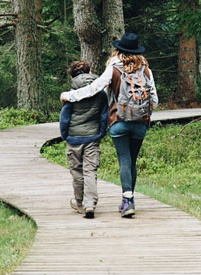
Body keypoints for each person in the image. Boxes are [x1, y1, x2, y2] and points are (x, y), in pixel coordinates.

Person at [60, 33, 158, 218]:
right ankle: (128, 200)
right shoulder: (145, 69)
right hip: (140, 123)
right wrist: (144, 115)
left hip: (119, 122)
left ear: (118, 49)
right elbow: (155, 99)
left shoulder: (114, 66)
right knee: (132, 161)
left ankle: (127, 202)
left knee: (124, 160)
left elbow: (95, 88)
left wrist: (69, 96)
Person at [59, 60, 109, 218]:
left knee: (76, 171)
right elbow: (104, 116)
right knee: (90, 170)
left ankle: (80, 202)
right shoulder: (100, 93)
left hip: (74, 137)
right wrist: (101, 133)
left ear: (72, 76)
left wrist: (65, 135)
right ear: (90, 72)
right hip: (92, 137)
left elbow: (65, 117)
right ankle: (90, 204)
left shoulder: (71, 94)